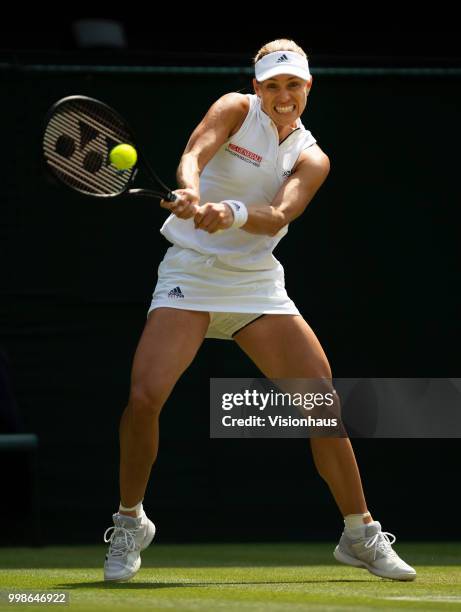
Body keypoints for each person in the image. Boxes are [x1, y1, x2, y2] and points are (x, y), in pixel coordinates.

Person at [103, 39, 416, 583]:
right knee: (144, 397)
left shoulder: (312, 157)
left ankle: (359, 533)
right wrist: (191, 192)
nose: (283, 95)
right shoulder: (233, 109)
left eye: (293, 85)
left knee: (322, 405)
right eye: (272, 85)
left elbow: (278, 215)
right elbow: (194, 154)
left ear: (308, 88)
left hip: (254, 284)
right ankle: (130, 521)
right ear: (257, 87)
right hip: (192, 271)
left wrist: (231, 211)